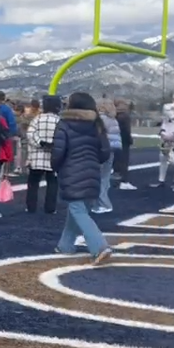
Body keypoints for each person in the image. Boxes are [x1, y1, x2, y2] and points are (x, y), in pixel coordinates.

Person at [51, 92, 113, 264]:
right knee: (77, 209)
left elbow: (58, 152)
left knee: (78, 210)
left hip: (71, 172)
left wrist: (55, 167)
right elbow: (105, 152)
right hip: (92, 172)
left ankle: (100, 246)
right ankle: (65, 246)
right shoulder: (96, 124)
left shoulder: (64, 124)